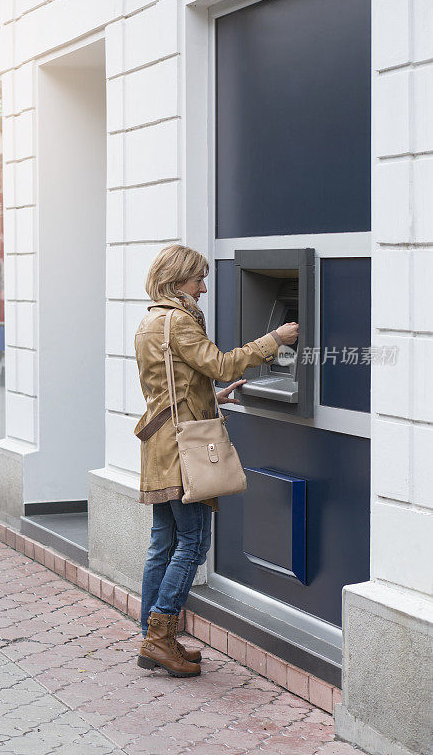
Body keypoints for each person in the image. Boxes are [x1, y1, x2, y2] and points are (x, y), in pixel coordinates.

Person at [133, 244, 299, 677]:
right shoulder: (179, 321)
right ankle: (160, 636)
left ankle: (154, 637)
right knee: (192, 544)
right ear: (176, 281)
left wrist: (211, 397)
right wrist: (275, 340)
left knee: (163, 542)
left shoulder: (151, 320)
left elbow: (174, 384)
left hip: (162, 443)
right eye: (197, 279)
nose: (204, 288)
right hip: (184, 450)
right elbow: (221, 364)